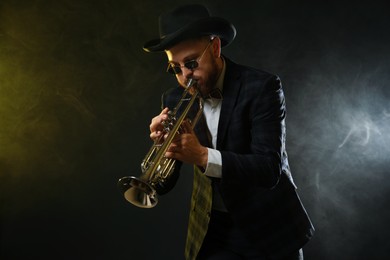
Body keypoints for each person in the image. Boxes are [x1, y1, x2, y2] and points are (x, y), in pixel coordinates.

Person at [144, 4, 314, 260]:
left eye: (190, 63)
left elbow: (268, 170)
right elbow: (162, 185)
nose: (184, 77)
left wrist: (202, 156)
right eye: (175, 68)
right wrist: (162, 147)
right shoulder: (174, 98)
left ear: (214, 48)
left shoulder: (262, 87)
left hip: (268, 227)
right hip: (212, 231)